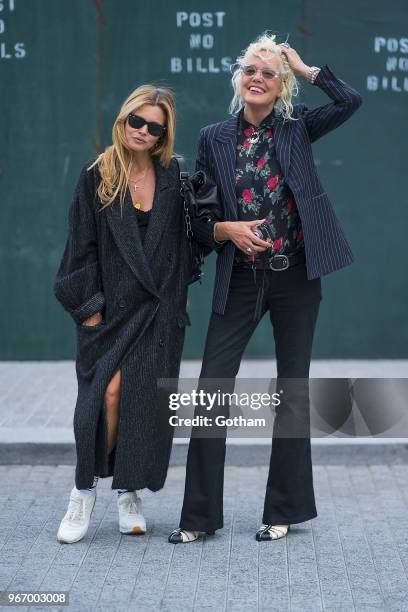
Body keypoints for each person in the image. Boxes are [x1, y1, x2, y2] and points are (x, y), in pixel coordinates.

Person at [168, 32, 363, 544]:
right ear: (240, 79)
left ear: (280, 88)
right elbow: (199, 214)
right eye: (251, 70)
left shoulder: (297, 128)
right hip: (240, 277)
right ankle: (198, 518)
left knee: (291, 390)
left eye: (269, 73)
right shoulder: (212, 137)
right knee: (212, 388)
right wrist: (222, 230)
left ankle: (284, 510)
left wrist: (303, 67)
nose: (258, 78)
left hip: (296, 276)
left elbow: (351, 101)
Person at [54, 85, 197, 543]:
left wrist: (179, 298)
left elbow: (187, 243)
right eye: (138, 120)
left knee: (142, 402)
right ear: (123, 119)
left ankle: (128, 491)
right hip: (108, 314)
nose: (144, 131)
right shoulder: (98, 175)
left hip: (157, 314)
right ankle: (83, 490)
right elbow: (80, 251)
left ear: (163, 134)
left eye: (155, 126)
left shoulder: (174, 176)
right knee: (107, 396)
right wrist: (90, 315)